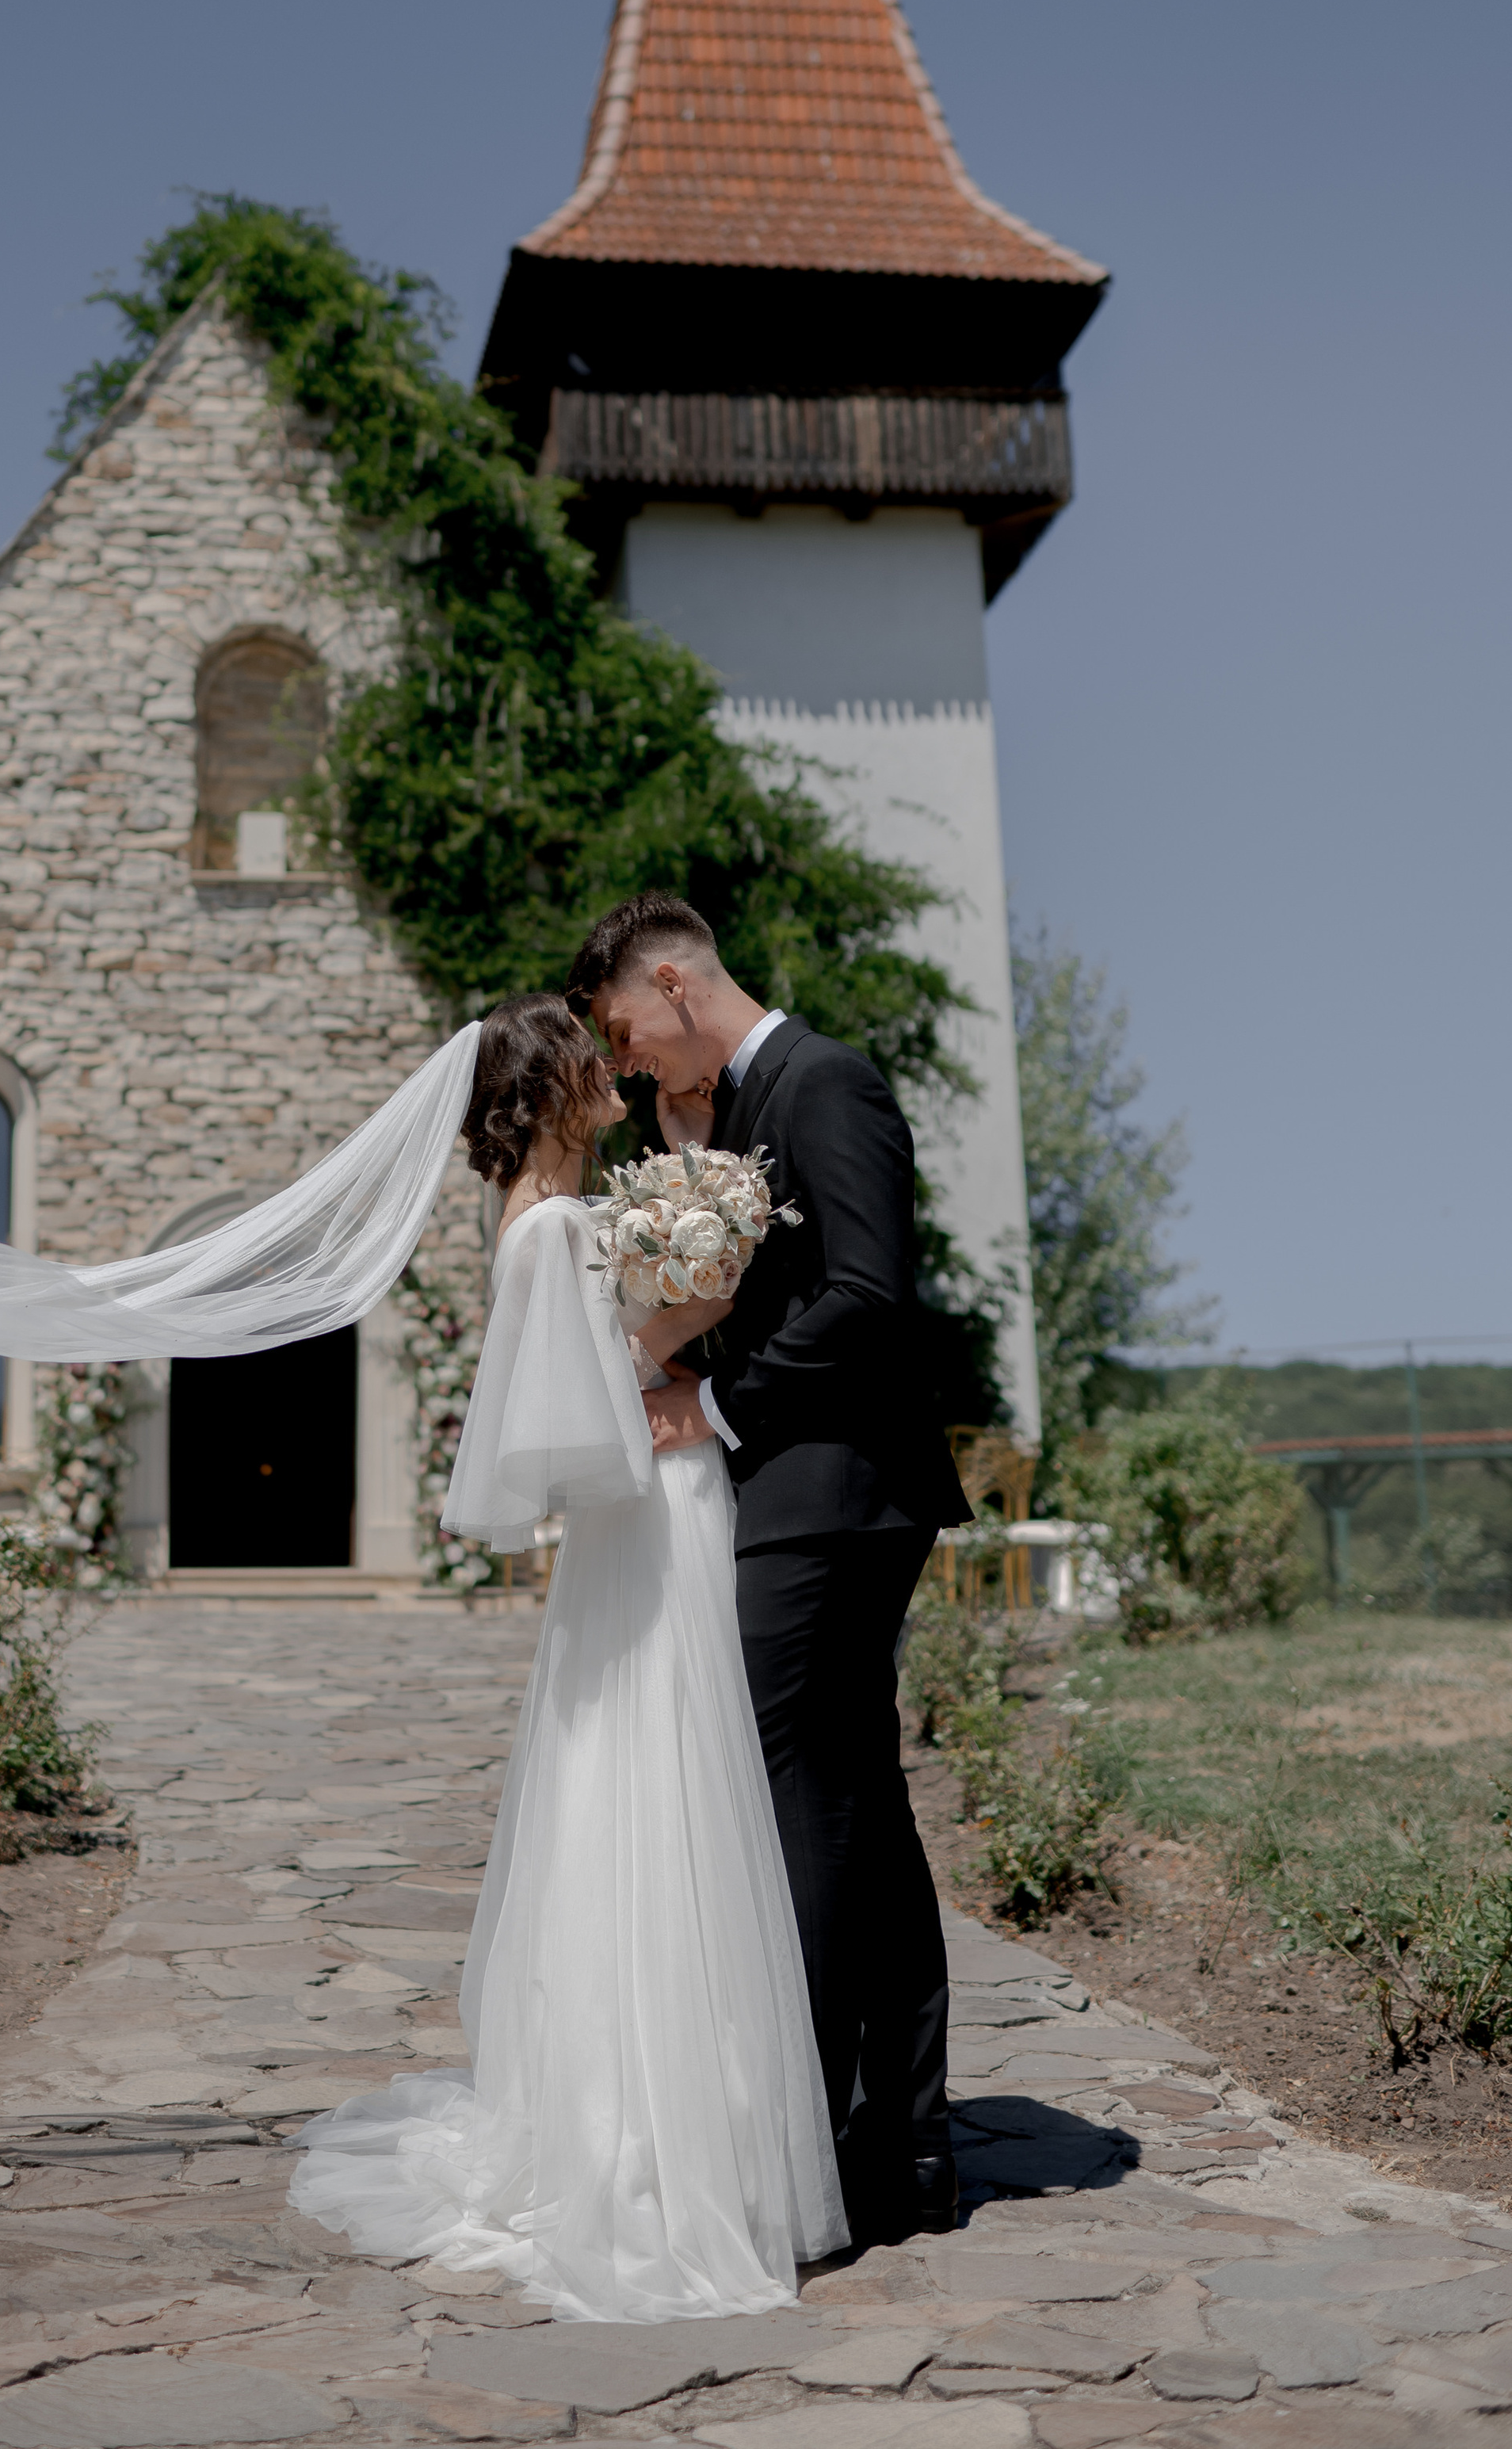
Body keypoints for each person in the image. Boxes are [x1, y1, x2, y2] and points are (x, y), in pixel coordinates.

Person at [288, 993, 842, 2318]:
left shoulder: (568, 1221)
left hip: (664, 1522)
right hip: (646, 1524)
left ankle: (700, 2123)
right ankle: (638, 2139)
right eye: (593, 1064)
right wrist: (695, 1307)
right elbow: (566, 1432)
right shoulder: (549, 1233)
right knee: (654, 1800)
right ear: (547, 1090)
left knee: (675, 1801)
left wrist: (681, 1285)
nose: (615, 1075)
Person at [566, 892, 975, 2248]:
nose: (627, 1065)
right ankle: (896, 2150)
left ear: (676, 983)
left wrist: (715, 1398)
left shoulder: (828, 1083)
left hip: (839, 1498)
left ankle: (794, 2132)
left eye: (628, 1031)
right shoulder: (732, 1110)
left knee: (791, 1798)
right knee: (853, 1803)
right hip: (802, 1496)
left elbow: (870, 1293)